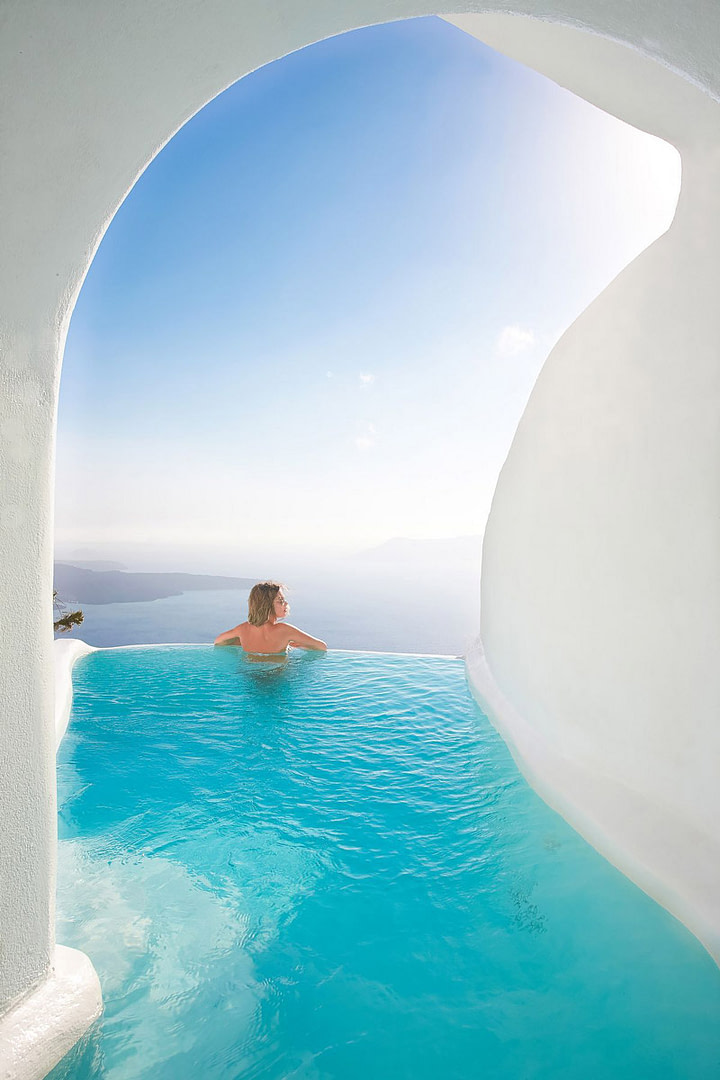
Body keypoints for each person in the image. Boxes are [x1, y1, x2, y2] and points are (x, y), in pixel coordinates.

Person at [214, 581, 327, 653]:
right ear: (267, 606)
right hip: (277, 679)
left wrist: (242, 642)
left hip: (251, 677)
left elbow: (218, 642)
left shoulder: (242, 629)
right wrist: (296, 644)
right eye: (281, 601)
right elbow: (321, 647)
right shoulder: (285, 630)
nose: (286, 604)